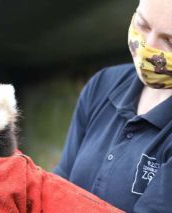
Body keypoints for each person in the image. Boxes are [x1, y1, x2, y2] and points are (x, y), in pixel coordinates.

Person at [54, 0, 172, 212]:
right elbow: (60, 183)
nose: (148, 46)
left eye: (170, 42)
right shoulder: (104, 84)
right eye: (143, 25)